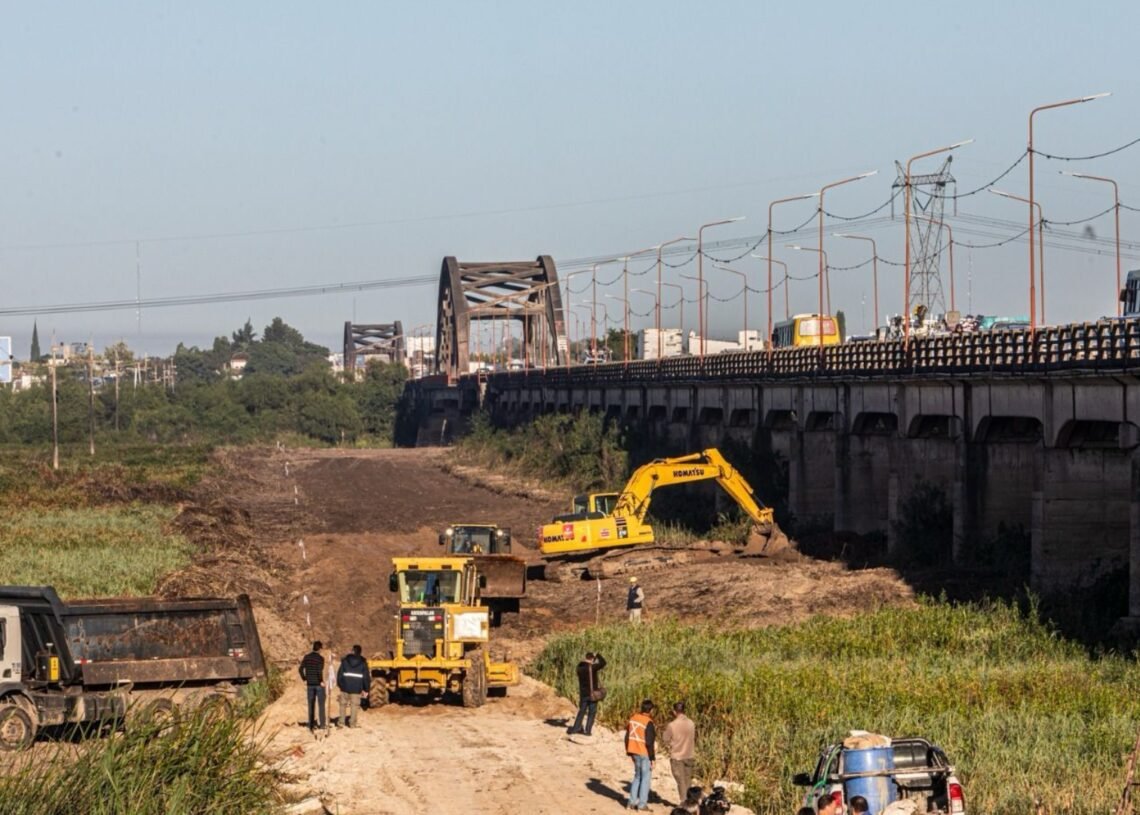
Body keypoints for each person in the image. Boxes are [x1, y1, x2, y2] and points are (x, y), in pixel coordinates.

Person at [662, 700, 696, 805]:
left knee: (681, 782)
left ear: (674, 711)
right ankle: (690, 802)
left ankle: (684, 803)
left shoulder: (672, 725)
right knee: (687, 781)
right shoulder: (691, 723)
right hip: (689, 755)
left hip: (677, 757)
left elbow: (665, 739)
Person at [625, 699, 656, 811]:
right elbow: (649, 743)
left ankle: (631, 803)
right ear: (651, 710)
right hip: (644, 752)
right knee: (645, 778)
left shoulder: (633, 718)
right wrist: (652, 758)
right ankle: (642, 805)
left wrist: (628, 751)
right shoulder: (649, 723)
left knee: (637, 777)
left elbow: (627, 736)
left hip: (633, 751)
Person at [566, 651, 605, 736]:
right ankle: (587, 731)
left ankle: (576, 728)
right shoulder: (592, 667)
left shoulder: (579, 667)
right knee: (592, 712)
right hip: (592, 694)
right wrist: (597, 655)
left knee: (581, 712)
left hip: (583, 694)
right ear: (591, 658)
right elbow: (603, 663)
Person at [337, 644, 371, 728]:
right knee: (354, 706)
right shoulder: (363, 663)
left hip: (345, 687)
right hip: (356, 688)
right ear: (360, 652)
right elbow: (366, 677)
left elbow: (339, 675)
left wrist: (341, 685)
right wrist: (366, 689)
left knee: (342, 705)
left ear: (352, 651)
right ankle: (352, 724)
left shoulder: (345, 661)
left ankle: (341, 723)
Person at [298, 640, 326, 734]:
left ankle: (310, 726)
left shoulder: (306, 657)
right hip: (318, 685)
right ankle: (322, 725)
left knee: (311, 705)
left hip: (309, 684)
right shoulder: (321, 659)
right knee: (321, 705)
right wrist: (321, 681)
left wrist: (304, 678)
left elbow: (300, 669)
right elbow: (319, 671)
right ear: (320, 649)